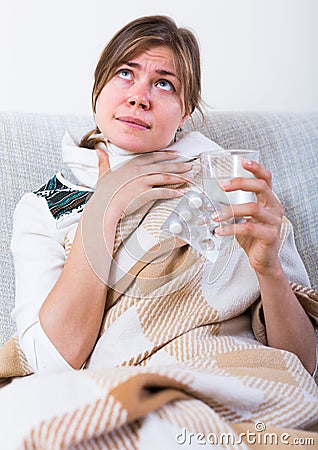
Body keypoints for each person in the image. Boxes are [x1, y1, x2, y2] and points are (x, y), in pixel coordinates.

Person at [1, 14, 317, 447]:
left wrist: (269, 271)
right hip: (124, 387)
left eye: (164, 83)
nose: (138, 97)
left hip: (237, 379)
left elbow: (303, 362)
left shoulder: (231, 184)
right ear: (98, 89)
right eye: (124, 73)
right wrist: (105, 208)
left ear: (185, 111)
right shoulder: (49, 204)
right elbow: (54, 361)